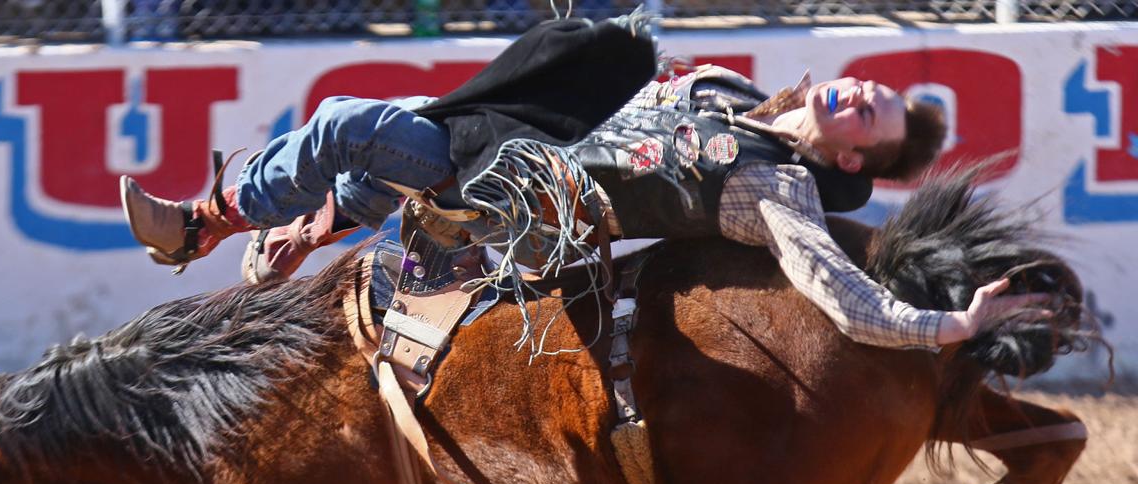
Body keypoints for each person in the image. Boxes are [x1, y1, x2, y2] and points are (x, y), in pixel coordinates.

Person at [121, 14, 1033, 350]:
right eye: (873, 88)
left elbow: (840, 293)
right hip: (502, 139)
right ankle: (295, 234)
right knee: (393, 128)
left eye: (873, 115)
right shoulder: (724, 89)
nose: (862, 93)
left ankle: (200, 225)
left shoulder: (773, 191)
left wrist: (950, 325)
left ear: (850, 160)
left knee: (349, 125)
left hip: (526, 204)